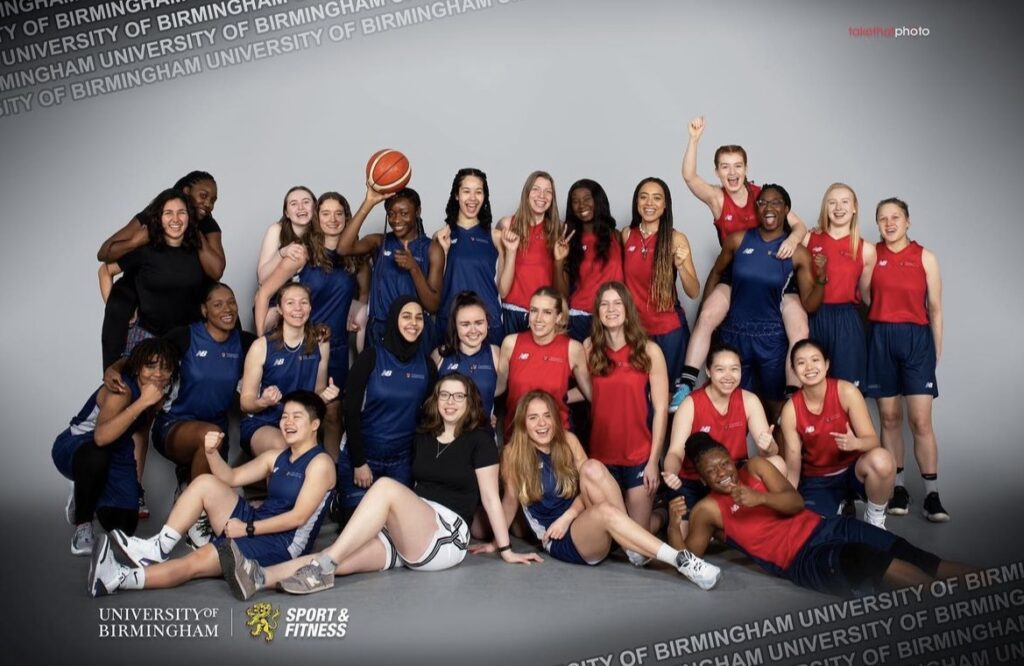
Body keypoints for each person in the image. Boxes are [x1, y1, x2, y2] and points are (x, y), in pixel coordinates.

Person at [216, 375, 541, 600]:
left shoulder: (480, 441)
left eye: (459, 396)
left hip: (445, 535)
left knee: (384, 488)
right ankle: (258, 577)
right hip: (409, 531)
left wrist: (505, 548)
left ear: (470, 401)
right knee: (332, 554)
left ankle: (323, 570)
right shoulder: (424, 436)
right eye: (444, 394)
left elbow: (489, 497)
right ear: (436, 399)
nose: (451, 402)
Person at [87, 391, 336, 597]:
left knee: (199, 559)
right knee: (206, 482)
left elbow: (298, 518)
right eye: (284, 416)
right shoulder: (277, 457)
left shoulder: (320, 464)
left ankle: (117, 578)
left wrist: (247, 529)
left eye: (297, 417)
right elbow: (230, 477)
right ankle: (157, 548)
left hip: (283, 543)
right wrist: (210, 452)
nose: (287, 422)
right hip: (256, 521)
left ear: (315, 424)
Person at [681, 432, 969, 596]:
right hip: (802, 559)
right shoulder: (707, 510)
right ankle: (948, 613)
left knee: (916, 556)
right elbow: (690, 560)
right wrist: (672, 526)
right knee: (869, 560)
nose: (722, 473)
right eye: (712, 471)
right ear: (703, 479)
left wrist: (759, 498)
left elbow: (794, 502)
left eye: (724, 463)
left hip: (828, 527)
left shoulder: (755, 467)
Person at [488, 391, 720, 589]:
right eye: (533, 418)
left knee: (592, 468)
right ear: (523, 423)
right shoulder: (512, 454)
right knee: (608, 512)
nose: (542, 424)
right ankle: (681, 559)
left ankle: (634, 549)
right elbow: (509, 502)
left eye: (547, 416)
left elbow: (588, 485)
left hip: (578, 517)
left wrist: (568, 516)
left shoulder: (567, 440)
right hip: (560, 537)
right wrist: (499, 545)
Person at [98, 187, 221, 518]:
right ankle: (131, 489)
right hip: (147, 339)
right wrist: (122, 310)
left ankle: (189, 483)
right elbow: (105, 268)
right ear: (158, 217)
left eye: (182, 213)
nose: (176, 219)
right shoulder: (146, 251)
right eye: (169, 214)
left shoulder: (198, 251)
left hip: (182, 340)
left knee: (182, 407)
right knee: (141, 414)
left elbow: (216, 281)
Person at [672, 118, 808, 409]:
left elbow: (800, 227)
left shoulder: (765, 196)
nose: (732, 173)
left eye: (737, 166)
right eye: (725, 167)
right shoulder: (718, 199)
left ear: (746, 169)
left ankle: (794, 397)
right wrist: (694, 140)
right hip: (739, 277)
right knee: (707, 316)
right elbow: (688, 177)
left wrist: (793, 240)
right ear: (717, 172)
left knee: (799, 329)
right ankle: (685, 384)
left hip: (775, 278)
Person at [252, 192, 369, 456]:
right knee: (296, 416)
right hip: (299, 347)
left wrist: (355, 311)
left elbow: (364, 293)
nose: (333, 219)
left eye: (339, 213)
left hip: (336, 347)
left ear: (347, 218)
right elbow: (264, 293)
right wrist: (261, 341)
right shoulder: (302, 254)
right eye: (326, 213)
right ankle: (293, 479)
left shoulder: (355, 256)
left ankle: (331, 482)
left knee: (332, 414)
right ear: (317, 218)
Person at [701, 183, 824, 423]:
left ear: (786, 209)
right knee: (728, 405)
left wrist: (822, 277)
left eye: (776, 202)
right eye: (763, 202)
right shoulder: (738, 239)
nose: (769, 207)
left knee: (777, 409)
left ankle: (781, 460)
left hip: (772, 339)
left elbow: (810, 305)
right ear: (756, 208)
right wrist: (706, 315)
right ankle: (731, 460)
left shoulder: (797, 252)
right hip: (735, 333)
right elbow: (716, 273)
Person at [864, 198, 946, 521]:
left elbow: (936, 308)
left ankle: (932, 495)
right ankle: (898, 487)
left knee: (921, 422)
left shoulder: (925, 257)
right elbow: (865, 296)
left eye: (895, 217)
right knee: (889, 418)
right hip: (881, 337)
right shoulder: (872, 254)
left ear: (908, 221)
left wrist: (934, 350)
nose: (889, 223)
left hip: (917, 341)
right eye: (882, 218)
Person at [53, 339, 176, 555]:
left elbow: (140, 433)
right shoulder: (123, 390)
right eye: (151, 366)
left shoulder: (157, 394)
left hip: (117, 448)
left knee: (124, 526)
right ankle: (82, 524)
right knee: (96, 457)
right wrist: (142, 402)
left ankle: (88, 491)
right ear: (138, 368)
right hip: (78, 446)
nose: (158, 373)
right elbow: (100, 438)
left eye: (165, 367)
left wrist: (134, 484)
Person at [97, 171, 224, 369]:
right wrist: (135, 241)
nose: (208, 204)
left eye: (213, 200)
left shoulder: (205, 225)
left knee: (222, 298)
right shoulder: (150, 224)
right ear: (186, 191)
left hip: (185, 293)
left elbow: (216, 271)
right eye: (203, 196)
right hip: (143, 284)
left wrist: (194, 231)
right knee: (118, 304)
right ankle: (113, 373)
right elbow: (104, 257)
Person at [662, 344, 782, 545]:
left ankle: (741, 524)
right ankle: (667, 511)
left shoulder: (749, 400)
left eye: (734, 369)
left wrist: (769, 446)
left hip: (732, 477)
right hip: (694, 479)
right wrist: (671, 473)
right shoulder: (691, 404)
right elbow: (675, 452)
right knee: (683, 541)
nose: (729, 376)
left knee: (777, 462)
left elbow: (771, 451)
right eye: (720, 369)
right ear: (708, 371)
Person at [336, 296, 435, 519]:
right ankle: (338, 502)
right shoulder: (371, 357)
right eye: (406, 316)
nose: (414, 323)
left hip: (401, 462)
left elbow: (430, 416)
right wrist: (359, 462)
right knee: (359, 526)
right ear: (393, 320)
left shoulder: (427, 365)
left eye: (419, 318)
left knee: (394, 527)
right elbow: (350, 411)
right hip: (363, 457)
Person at [584, 282, 668, 539]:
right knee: (613, 535)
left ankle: (665, 514)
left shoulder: (649, 350)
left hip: (639, 455)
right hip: (602, 456)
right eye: (604, 304)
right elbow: (591, 392)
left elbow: (662, 408)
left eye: (617, 303)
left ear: (628, 309)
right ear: (597, 311)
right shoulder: (589, 348)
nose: (611, 309)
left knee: (638, 537)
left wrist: (653, 461)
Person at [779, 339, 894, 527]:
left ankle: (875, 520)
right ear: (793, 370)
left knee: (882, 459)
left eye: (815, 360)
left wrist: (855, 444)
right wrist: (788, 502)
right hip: (818, 480)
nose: (809, 367)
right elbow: (793, 465)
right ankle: (838, 507)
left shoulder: (846, 391)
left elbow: (872, 441)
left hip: (852, 472)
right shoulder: (790, 410)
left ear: (826, 364)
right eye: (801, 363)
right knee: (811, 529)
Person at [338, 184, 444, 348]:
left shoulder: (432, 249)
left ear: (417, 212)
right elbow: (343, 248)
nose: (396, 220)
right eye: (391, 214)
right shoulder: (379, 242)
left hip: (414, 330)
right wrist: (369, 202)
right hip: (380, 328)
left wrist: (414, 268)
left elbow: (433, 306)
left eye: (404, 213)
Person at [239, 283, 338, 456]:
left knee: (334, 409)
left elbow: (318, 391)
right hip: (266, 422)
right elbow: (245, 402)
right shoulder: (261, 346)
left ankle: (333, 473)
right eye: (290, 302)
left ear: (310, 307)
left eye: (303, 302)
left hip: (301, 420)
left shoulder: (320, 342)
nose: (298, 308)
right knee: (289, 447)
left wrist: (326, 395)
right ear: (279, 309)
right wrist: (263, 401)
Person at [621, 177, 699, 395]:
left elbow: (694, 292)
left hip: (669, 331)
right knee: (638, 393)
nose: (649, 203)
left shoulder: (676, 239)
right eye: (643, 197)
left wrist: (681, 266)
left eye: (657, 198)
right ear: (637, 203)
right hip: (635, 330)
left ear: (665, 206)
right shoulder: (627, 235)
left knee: (669, 396)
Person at [804, 183, 876, 387]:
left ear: (854, 207)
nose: (838, 208)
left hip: (847, 322)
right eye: (832, 202)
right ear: (825, 208)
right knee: (813, 388)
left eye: (845, 202)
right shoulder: (807, 238)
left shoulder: (866, 250)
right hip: (814, 317)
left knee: (847, 390)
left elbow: (868, 296)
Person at [499, 287, 591, 438]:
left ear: (559, 317)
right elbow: (498, 387)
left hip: (557, 436)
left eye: (547, 312)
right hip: (517, 437)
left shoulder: (573, 348)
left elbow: (591, 393)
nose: (538, 318)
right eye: (534, 310)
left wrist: (563, 396)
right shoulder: (511, 343)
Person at [433, 168, 504, 346]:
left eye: (478, 192)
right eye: (466, 191)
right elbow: (434, 288)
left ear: (484, 197)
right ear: (456, 195)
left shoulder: (495, 236)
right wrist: (445, 252)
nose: (472, 198)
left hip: (487, 323)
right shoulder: (441, 236)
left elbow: (503, 289)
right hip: (450, 321)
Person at [496, 171, 572, 335]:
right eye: (536, 189)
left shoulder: (559, 229)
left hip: (544, 315)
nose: (542, 195)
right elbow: (502, 290)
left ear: (552, 198)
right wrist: (511, 251)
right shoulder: (507, 224)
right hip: (512, 312)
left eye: (548, 191)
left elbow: (563, 291)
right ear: (527, 192)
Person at [252, 186, 326, 337]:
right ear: (286, 212)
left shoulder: (321, 235)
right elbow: (262, 278)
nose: (300, 207)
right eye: (293, 203)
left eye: (306, 202)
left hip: (304, 302)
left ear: (315, 207)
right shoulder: (276, 230)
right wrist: (283, 252)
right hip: (273, 301)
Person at [433, 291, 504, 430]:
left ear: (487, 322)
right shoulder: (439, 355)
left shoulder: (496, 353)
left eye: (479, 323)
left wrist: (485, 412)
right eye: (465, 324)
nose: (473, 330)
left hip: (484, 439)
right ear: (455, 325)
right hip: (449, 439)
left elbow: (498, 389)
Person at [564, 180, 624, 342]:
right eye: (575, 201)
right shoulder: (567, 241)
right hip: (580, 319)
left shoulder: (618, 237)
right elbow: (560, 287)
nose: (581, 205)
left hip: (613, 316)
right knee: (582, 367)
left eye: (587, 198)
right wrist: (558, 260)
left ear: (598, 200)